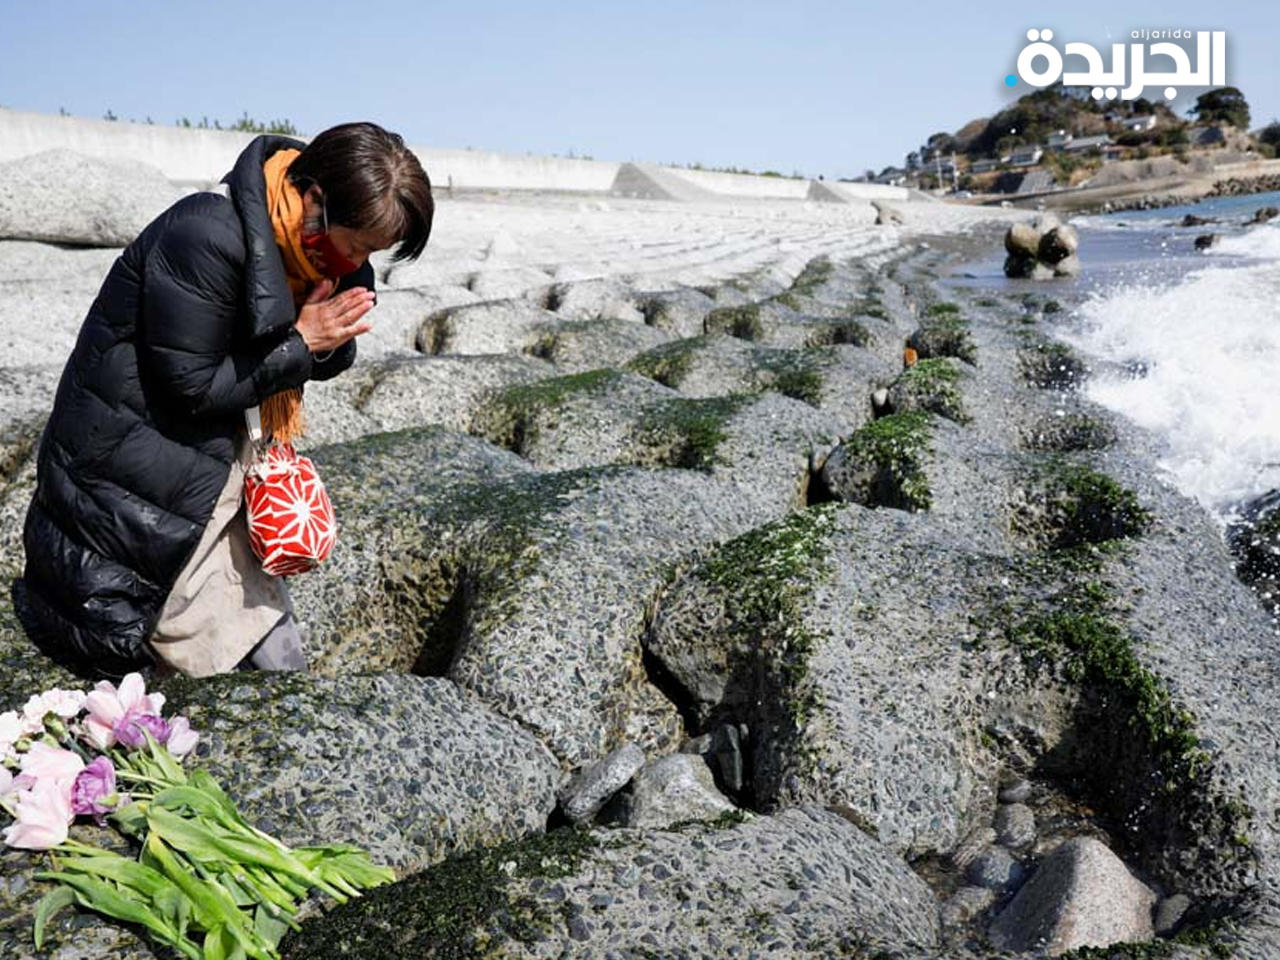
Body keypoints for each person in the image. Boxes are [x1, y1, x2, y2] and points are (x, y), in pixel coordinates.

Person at [12, 122, 434, 680]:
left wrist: (323, 339)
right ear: (314, 199)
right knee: (178, 629)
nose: (358, 261)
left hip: (215, 457)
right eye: (357, 245)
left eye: (373, 253)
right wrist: (304, 341)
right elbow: (191, 386)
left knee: (257, 632)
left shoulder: (317, 254)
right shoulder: (205, 234)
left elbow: (326, 357)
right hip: (136, 462)